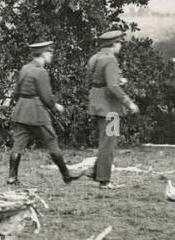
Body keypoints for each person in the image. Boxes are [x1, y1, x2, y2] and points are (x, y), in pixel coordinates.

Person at [7, 41, 85, 185]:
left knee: (18, 144)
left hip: (21, 110)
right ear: (43, 54)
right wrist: (56, 107)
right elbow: (46, 96)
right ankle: (66, 175)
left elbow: (17, 91)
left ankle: (12, 178)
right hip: (36, 112)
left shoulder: (25, 68)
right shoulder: (41, 71)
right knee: (51, 141)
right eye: (49, 53)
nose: (51, 55)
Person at [85, 29, 139, 190]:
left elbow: (94, 80)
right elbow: (112, 87)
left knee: (105, 140)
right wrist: (129, 102)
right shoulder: (111, 60)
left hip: (97, 102)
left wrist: (116, 80)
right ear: (113, 44)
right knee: (109, 142)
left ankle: (95, 171)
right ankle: (104, 180)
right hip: (110, 108)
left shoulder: (95, 57)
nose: (120, 46)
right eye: (119, 43)